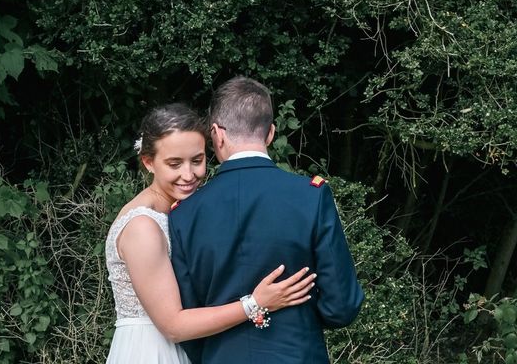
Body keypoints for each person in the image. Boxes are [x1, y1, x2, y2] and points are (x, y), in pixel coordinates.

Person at [169, 77, 365, 364]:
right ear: (271, 133)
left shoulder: (184, 213)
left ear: (216, 134)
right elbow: (342, 307)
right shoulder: (310, 196)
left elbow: (187, 321)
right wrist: (298, 322)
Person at [105, 103, 317, 363]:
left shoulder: (183, 213)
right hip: (152, 350)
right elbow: (173, 325)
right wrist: (255, 303)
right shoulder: (142, 227)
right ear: (148, 162)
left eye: (197, 160)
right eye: (174, 164)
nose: (189, 174)